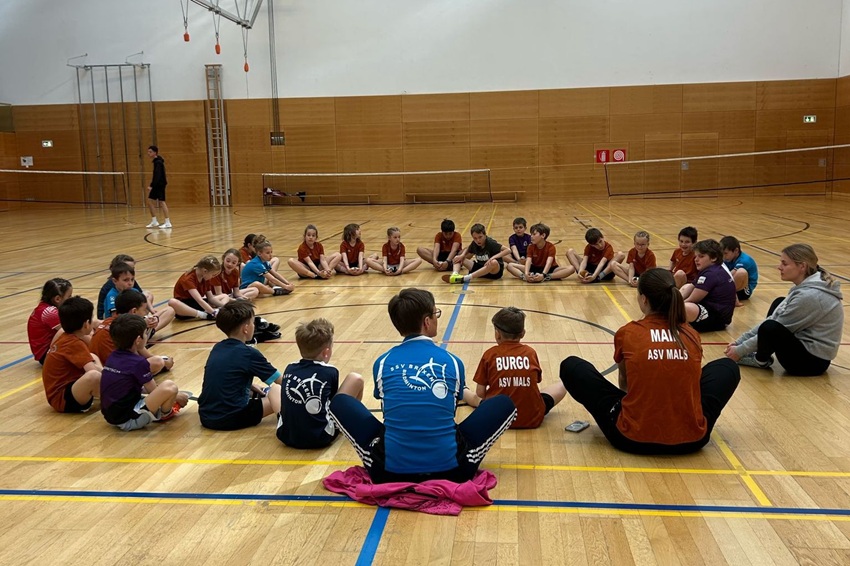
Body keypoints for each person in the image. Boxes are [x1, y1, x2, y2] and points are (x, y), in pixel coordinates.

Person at [329, 288, 516, 483]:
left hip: (387, 472)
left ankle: (391, 456)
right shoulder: (453, 361)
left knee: (340, 402)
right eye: (436, 314)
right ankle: (452, 458)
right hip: (454, 470)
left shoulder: (382, 362)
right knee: (504, 404)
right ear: (427, 322)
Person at [560, 268, 740, 454]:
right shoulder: (691, 333)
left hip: (631, 438)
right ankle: (686, 418)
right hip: (692, 439)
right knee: (727, 367)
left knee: (572, 366)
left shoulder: (628, 332)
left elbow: (625, 382)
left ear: (644, 299)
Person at [725, 244, 844, 376]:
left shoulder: (810, 296)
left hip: (811, 363)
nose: (779, 267)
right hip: (805, 349)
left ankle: (760, 360)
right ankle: (760, 354)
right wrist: (740, 342)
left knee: (771, 327)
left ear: (802, 266)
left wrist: (739, 351)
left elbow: (773, 326)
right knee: (778, 304)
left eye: (784, 263)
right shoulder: (808, 285)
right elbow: (774, 318)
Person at [472, 307, 566, 428]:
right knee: (561, 386)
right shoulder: (530, 353)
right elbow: (536, 381)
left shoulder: (489, 355)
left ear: (497, 334)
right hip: (532, 418)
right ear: (523, 333)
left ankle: (461, 389)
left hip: (497, 420)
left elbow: (480, 393)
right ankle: (565, 383)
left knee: (474, 398)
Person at [276, 318, 364, 449]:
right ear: (326, 352)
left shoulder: (290, 367)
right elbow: (334, 404)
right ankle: (353, 423)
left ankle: (293, 422)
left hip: (286, 435)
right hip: (321, 436)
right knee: (356, 378)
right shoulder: (330, 371)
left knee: (274, 389)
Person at [198, 302, 283, 430]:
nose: (254, 325)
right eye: (253, 322)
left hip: (206, 416)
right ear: (246, 328)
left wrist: (249, 385)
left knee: (256, 391)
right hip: (233, 418)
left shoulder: (217, 347)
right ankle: (287, 424)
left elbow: (223, 376)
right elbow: (281, 382)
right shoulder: (249, 353)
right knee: (280, 392)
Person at [100, 314, 189, 431]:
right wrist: (177, 396)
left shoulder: (113, 356)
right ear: (138, 340)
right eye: (145, 333)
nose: (146, 335)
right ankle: (166, 413)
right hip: (129, 419)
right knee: (170, 387)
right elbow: (153, 390)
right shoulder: (138, 363)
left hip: (111, 415)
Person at [41, 296, 102, 413]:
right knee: (94, 376)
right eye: (91, 318)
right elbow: (93, 371)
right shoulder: (73, 343)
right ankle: (114, 401)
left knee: (92, 357)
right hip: (63, 400)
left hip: (63, 392)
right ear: (86, 324)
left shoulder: (66, 336)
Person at [91, 289, 173, 375]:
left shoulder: (109, 321)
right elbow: (142, 355)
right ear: (134, 311)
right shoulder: (129, 327)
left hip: (100, 366)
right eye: (144, 310)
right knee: (159, 362)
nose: (146, 313)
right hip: (115, 371)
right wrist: (164, 361)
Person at [98, 255, 175, 332]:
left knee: (170, 310)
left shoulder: (134, 290)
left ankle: (149, 331)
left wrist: (151, 319)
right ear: (115, 281)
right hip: (122, 328)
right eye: (126, 280)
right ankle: (145, 333)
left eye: (132, 279)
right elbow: (117, 320)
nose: (130, 283)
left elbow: (143, 309)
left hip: (136, 323)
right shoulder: (111, 295)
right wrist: (142, 322)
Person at [680, 239, 737, 332]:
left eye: (701, 256)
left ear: (713, 258)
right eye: (696, 256)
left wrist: (671, 307)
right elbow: (692, 286)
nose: (696, 259)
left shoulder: (712, 274)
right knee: (685, 287)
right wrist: (674, 300)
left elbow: (693, 299)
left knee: (684, 308)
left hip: (718, 318)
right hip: (711, 309)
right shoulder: (711, 269)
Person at [442, 223, 510, 284]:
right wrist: (462, 255)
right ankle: (455, 275)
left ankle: (465, 278)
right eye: (475, 238)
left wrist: (493, 257)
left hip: (493, 272)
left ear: (485, 235)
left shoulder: (491, 243)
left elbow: (508, 250)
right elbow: (468, 248)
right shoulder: (475, 243)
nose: (478, 240)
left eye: (480, 237)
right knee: (458, 257)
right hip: (480, 269)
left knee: (493, 262)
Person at [506, 222, 574, 283]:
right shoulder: (530, 247)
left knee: (571, 268)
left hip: (550, 269)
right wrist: (526, 274)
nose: (531, 236)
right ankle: (525, 277)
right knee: (510, 265)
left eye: (534, 234)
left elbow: (549, 263)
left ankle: (547, 277)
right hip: (535, 268)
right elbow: (528, 261)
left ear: (543, 235)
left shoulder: (551, 247)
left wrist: (543, 275)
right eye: (531, 234)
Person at [27, 278, 73, 364]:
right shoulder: (50, 312)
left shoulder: (44, 307)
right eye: (69, 296)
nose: (71, 299)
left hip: (50, 351)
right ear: (57, 299)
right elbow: (71, 332)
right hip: (46, 355)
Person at [167, 255, 223, 320]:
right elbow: (199, 300)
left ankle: (211, 312)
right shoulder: (188, 279)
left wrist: (225, 307)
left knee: (224, 296)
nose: (213, 277)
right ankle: (204, 315)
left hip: (196, 303)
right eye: (213, 275)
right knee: (172, 302)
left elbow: (211, 298)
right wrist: (214, 313)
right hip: (184, 306)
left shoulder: (205, 278)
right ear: (205, 271)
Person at [720, 236, 759, 305]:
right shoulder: (727, 258)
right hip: (731, 285)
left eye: (725, 253)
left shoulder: (745, 260)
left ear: (736, 251)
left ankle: (729, 295)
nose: (723, 256)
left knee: (741, 272)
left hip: (744, 290)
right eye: (722, 253)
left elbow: (730, 275)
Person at [145, 145, 172, 229]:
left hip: (159, 185)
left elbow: (157, 175)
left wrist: (151, 185)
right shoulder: (156, 161)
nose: (148, 153)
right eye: (148, 152)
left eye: (150, 152)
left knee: (162, 202)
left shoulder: (158, 162)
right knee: (150, 201)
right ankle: (154, 221)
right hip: (157, 184)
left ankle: (168, 222)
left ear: (155, 152)